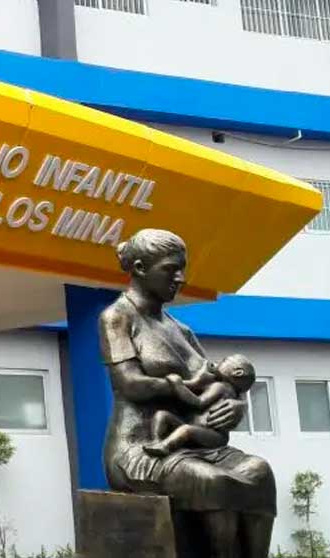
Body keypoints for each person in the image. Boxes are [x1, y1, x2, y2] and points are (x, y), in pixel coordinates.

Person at [99, 228, 275, 558]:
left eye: (182, 268)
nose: (180, 278)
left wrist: (235, 404)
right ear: (139, 268)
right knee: (212, 481)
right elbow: (129, 383)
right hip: (141, 446)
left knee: (259, 471)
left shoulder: (181, 329)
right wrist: (178, 386)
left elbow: (214, 380)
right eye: (170, 269)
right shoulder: (116, 317)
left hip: (193, 442)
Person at [145, 354, 257, 457]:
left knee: (186, 429)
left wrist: (178, 384)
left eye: (224, 361)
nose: (217, 363)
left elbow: (198, 402)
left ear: (237, 372)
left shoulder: (221, 387)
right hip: (199, 430)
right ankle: (156, 441)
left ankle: (165, 446)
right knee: (163, 415)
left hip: (214, 435)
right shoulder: (227, 390)